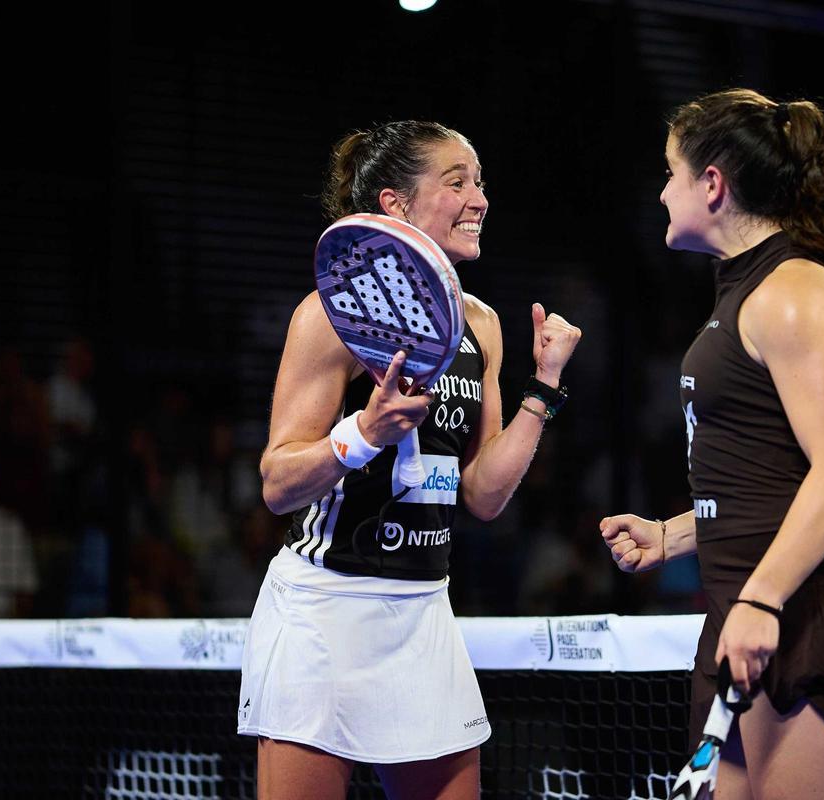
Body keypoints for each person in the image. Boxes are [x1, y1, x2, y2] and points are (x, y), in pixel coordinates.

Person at [238, 120, 581, 800]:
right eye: (456, 183)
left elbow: (482, 496)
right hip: (324, 613)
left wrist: (543, 387)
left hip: (424, 611)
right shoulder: (331, 314)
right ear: (395, 204)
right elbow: (278, 482)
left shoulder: (479, 323)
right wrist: (362, 433)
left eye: (480, 183)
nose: (479, 199)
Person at [600, 89, 824, 799]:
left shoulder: (793, 291)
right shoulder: (744, 293)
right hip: (748, 609)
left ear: (712, 183)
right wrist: (671, 536)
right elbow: (767, 480)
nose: (659, 191)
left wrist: (764, 601)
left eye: (669, 171)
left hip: (803, 613)